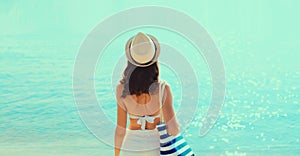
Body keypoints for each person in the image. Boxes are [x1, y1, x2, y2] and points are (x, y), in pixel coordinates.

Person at [114, 32, 180, 156]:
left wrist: (116, 154)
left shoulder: (121, 89)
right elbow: (174, 129)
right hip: (155, 146)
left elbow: (120, 131)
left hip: (131, 146)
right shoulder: (163, 89)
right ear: (154, 60)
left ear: (130, 61)